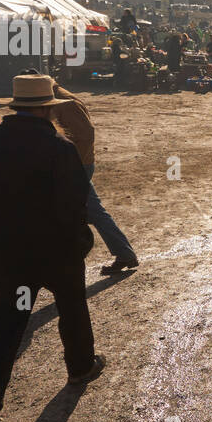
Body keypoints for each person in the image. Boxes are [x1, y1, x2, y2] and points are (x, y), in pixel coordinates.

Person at [0, 75, 105, 422]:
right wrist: (79, 239)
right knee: (72, 306)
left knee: (4, 322)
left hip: (8, 250)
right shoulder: (60, 148)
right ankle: (80, 367)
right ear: (47, 108)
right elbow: (75, 204)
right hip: (56, 247)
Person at [49, 79, 139, 275]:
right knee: (84, 212)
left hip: (76, 167)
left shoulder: (65, 102)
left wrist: (69, 162)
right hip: (76, 166)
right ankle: (123, 253)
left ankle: (124, 253)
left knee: (93, 212)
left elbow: (86, 134)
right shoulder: (58, 98)